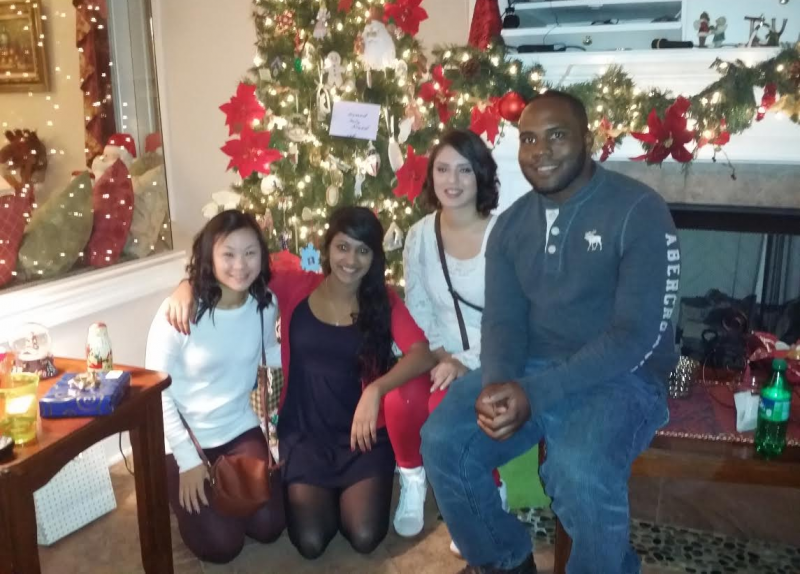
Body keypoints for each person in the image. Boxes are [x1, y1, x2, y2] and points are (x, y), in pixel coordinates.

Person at [420, 90, 680, 574]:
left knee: (577, 469)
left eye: (557, 135)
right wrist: (498, 383)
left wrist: (535, 392)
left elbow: (634, 335)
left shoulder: (639, 210)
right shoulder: (511, 226)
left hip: (621, 377)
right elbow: (502, 321)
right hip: (530, 368)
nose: (541, 151)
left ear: (588, 139)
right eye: (529, 139)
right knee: (443, 440)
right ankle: (504, 560)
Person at [165, 206, 437, 559]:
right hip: (304, 435)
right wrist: (186, 285)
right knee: (310, 542)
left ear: (374, 257)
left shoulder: (383, 301)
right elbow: (241, 270)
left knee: (365, 535)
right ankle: (326, 493)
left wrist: (376, 389)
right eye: (342, 247)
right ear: (327, 247)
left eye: (363, 250)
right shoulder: (296, 285)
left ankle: (349, 492)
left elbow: (421, 353)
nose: (350, 260)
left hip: (363, 437)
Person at [145, 210, 285, 564]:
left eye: (250, 252)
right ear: (209, 256)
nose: (240, 265)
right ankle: (172, 488)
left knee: (270, 526)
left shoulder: (264, 305)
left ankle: (215, 499)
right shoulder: (179, 313)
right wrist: (187, 461)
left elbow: (271, 353)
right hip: (183, 437)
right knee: (223, 545)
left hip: (238, 426)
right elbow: (155, 392)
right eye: (228, 254)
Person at [398, 129, 507, 547]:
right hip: (437, 349)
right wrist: (442, 354)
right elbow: (418, 304)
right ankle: (413, 482)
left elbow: (511, 318)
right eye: (443, 169)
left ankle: (484, 494)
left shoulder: (504, 235)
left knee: (446, 407)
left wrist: (465, 362)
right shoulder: (420, 235)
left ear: (481, 175)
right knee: (400, 398)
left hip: (492, 354)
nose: (453, 180)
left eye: (464, 170)